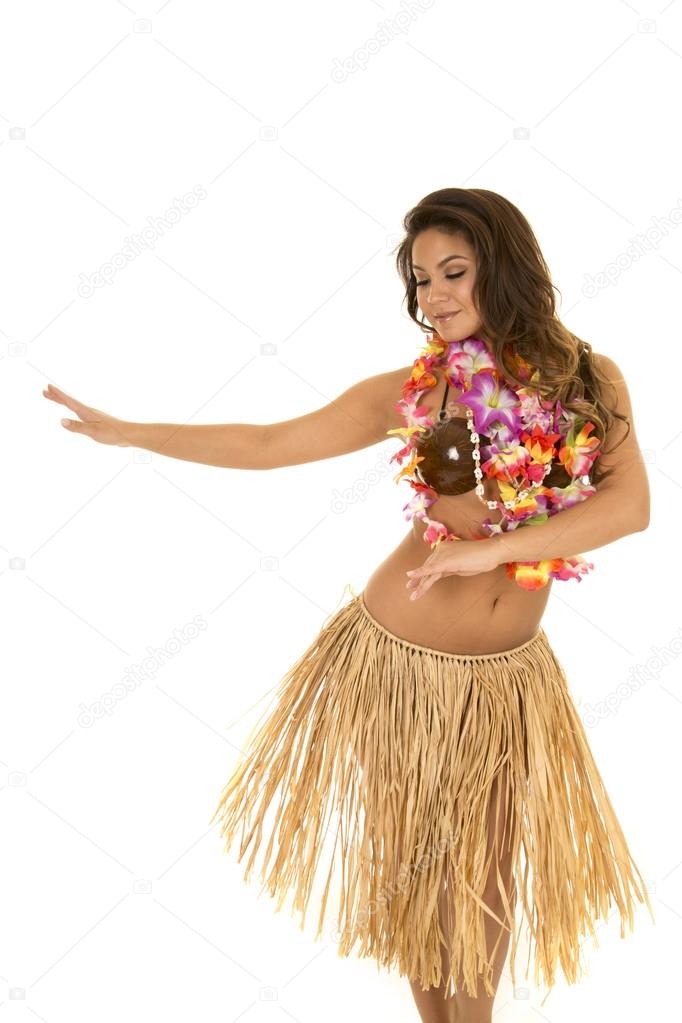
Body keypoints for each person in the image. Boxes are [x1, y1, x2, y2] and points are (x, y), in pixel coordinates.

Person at [43, 187, 654, 1023]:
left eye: (453, 272)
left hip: (507, 677)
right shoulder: (414, 392)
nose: (433, 295)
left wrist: (494, 547)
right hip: (393, 662)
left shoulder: (590, 381)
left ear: (503, 268)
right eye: (420, 280)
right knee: (413, 870)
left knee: (484, 873)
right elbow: (267, 443)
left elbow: (629, 507)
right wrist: (135, 432)